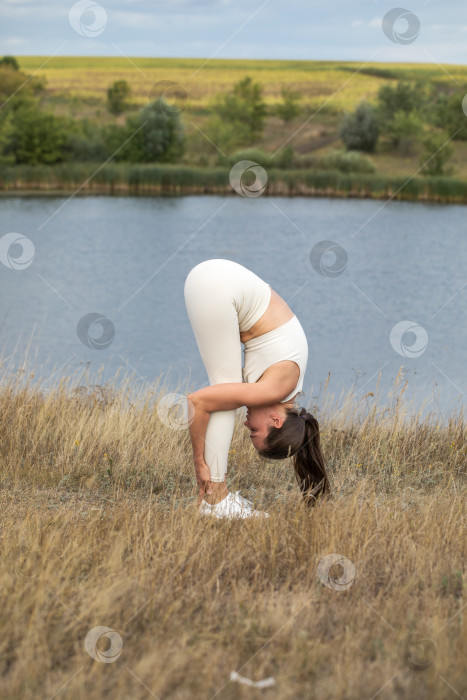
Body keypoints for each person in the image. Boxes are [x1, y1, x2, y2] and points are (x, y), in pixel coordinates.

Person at [184, 259, 330, 519]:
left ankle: (216, 497)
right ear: (276, 420)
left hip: (215, 278)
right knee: (223, 398)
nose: (246, 425)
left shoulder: (287, 388)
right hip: (216, 286)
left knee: (227, 395)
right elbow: (198, 402)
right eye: (254, 430)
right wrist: (199, 464)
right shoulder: (275, 390)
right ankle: (216, 500)